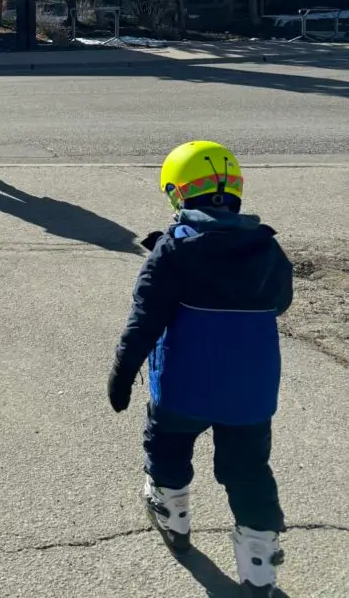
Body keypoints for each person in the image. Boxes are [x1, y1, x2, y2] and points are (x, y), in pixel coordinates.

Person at [107, 141, 293, 596]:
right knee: (249, 469)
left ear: (177, 192)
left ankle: (173, 513)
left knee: (167, 446)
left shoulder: (173, 250)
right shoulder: (268, 249)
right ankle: (258, 564)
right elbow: (282, 302)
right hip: (250, 394)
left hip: (182, 388)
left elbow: (143, 320)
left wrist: (122, 374)